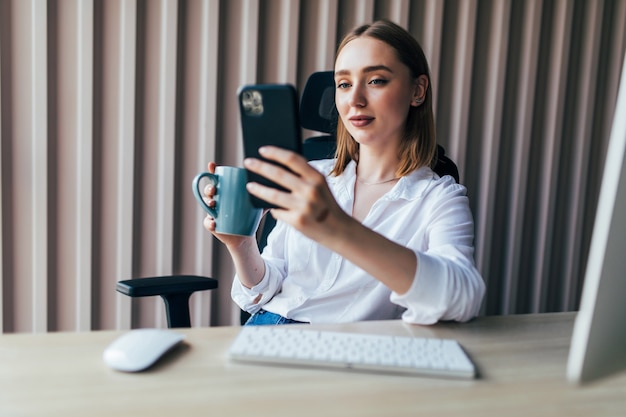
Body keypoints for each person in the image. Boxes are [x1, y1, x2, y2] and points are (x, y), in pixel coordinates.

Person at [202, 19, 485, 325]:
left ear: (417, 90)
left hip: (347, 351)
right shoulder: (313, 178)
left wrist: (337, 228)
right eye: (344, 84)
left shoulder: (439, 199)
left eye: (376, 80)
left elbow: (463, 299)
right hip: (266, 329)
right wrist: (241, 244)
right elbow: (267, 289)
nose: (354, 100)